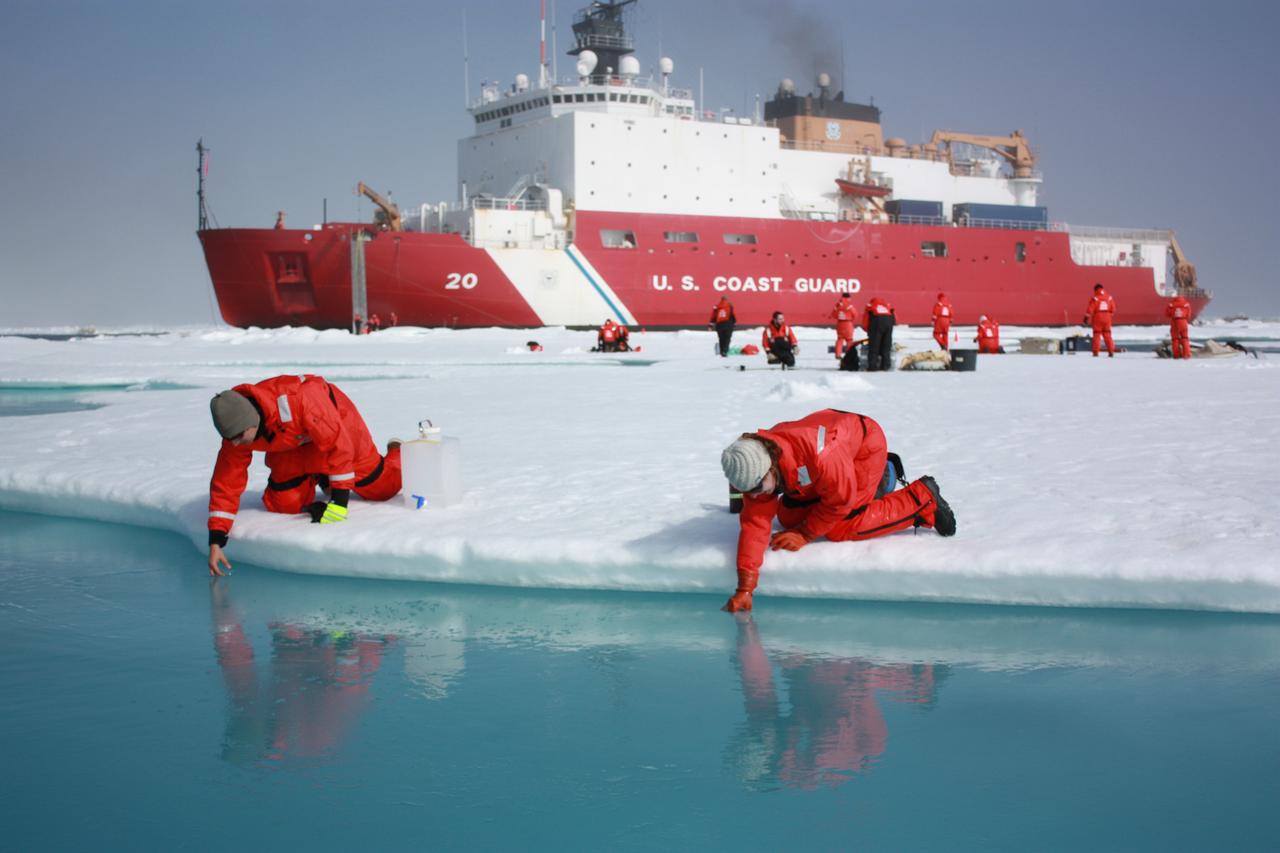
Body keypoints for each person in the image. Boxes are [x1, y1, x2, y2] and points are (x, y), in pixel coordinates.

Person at [719, 409, 956, 612]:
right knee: (788, 517)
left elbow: (839, 503)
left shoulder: (822, 456)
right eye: (746, 492)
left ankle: (922, 499)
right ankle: (879, 481)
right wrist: (745, 587)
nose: (755, 496)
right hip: (832, 453)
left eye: (758, 488)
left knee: (842, 526)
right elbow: (755, 525)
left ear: (769, 467)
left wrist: (805, 534)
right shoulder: (756, 463)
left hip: (864, 448)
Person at [206, 375, 402, 576]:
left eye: (239, 437)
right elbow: (227, 479)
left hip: (337, 426)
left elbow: (339, 446)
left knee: (384, 488)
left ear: (251, 424)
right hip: (292, 444)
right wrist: (217, 539)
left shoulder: (301, 399)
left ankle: (398, 451)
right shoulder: (236, 429)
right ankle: (321, 474)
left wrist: (339, 502)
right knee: (284, 504)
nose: (235, 444)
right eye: (231, 439)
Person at [862, 296, 896, 371]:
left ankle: (873, 367)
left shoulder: (870, 306)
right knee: (886, 346)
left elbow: (866, 319)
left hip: (877, 321)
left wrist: (868, 331)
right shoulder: (887, 306)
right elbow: (894, 319)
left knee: (874, 346)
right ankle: (886, 366)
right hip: (889, 322)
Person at [1084, 283, 1117, 357]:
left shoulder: (1095, 298)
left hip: (1097, 317)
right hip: (1107, 317)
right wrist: (1108, 315)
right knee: (1107, 334)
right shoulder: (1109, 297)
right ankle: (1111, 351)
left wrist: (1086, 318)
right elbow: (1114, 309)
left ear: (1095, 290)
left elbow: (1090, 309)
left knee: (1097, 335)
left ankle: (1096, 352)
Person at [829, 293, 857, 358]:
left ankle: (838, 354)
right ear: (849, 298)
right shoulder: (850, 305)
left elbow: (833, 314)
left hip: (840, 324)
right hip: (848, 323)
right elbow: (855, 315)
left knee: (840, 339)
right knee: (849, 340)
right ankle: (850, 355)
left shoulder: (838, 305)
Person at [1166, 294, 1192, 359]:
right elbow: (1188, 315)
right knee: (1185, 338)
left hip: (1174, 321)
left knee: (1175, 339)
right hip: (1183, 321)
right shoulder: (1186, 304)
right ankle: (1186, 355)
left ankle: (1176, 355)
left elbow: (1167, 314)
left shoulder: (1171, 304)